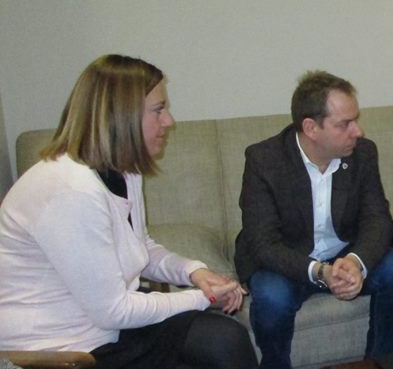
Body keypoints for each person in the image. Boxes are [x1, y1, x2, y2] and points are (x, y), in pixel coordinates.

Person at [0, 54, 257, 369]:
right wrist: (205, 298)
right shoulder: (70, 189)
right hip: (60, 348)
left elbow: (141, 247)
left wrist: (194, 272)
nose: (169, 121)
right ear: (120, 115)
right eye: (158, 110)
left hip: (103, 326)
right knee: (220, 344)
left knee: (223, 339)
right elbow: (113, 311)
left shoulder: (124, 170)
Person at [234, 70, 393, 369]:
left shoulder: (362, 154)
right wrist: (320, 272)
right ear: (311, 128)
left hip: (343, 254)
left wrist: (355, 262)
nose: (358, 131)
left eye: (355, 120)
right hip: (287, 260)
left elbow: (378, 220)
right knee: (272, 299)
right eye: (344, 124)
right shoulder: (264, 160)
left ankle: (380, 363)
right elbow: (263, 244)